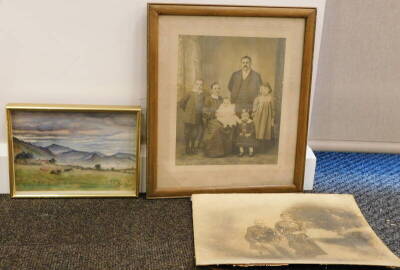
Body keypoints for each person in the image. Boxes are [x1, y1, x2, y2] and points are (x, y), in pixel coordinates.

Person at [179, 79, 205, 154]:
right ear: (194, 85)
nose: (199, 86)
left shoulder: (202, 94)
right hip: (189, 116)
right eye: (197, 84)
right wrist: (188, 111)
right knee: (187, 132)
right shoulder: (190, 93)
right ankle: (187, 147)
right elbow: (181, 103)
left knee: (195, 132)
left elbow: (203, 105)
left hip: (197, 116)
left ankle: (193, 147)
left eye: (201, 85)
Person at [253, 84, 275, 151]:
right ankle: (257, 146)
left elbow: (273, 109)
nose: (263, 91)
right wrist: (254, 114)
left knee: (265, 130)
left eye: (265, 89)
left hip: (267, 118)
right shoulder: (258, 98)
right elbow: (254, 106)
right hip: (258, 117)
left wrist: (272, 119)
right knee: (258, 130)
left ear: (269, 90)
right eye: (262, 89)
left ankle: (265, 147)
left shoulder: (270, 98)